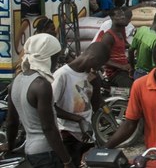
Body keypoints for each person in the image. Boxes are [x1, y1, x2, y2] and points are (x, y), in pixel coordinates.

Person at [0, 34, 73, 168]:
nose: (57, 62)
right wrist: (66, 160)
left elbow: (11, 122)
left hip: (31, 151)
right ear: (48, 57)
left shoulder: (17, 80)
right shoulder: (41, 85)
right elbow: (48, 127)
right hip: (46, 152)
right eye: (56, 57)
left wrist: (10, 146)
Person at [52, 42, 110, 167]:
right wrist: (78, 119)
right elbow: (51, 107)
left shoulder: (90, 76)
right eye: (98, 65)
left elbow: (94, 106)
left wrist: (96, 84)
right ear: (92, 59)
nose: (97, 69)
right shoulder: (62, 75)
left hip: (87, 133)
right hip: (68, 134)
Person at [94, 7, 133, 88]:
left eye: (122, 15)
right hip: (115, 73)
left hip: (123, 70)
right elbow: (102, 59)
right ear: (112, 18)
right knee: (131, 89)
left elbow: (121, 48)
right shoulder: (108, 36)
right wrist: (122, 66)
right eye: (118, 15)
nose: (122, 17)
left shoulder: (120, 33)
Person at [129, 10, 156, 79]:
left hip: (137, 73)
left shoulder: (142, 30)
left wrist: (132, 68)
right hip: (147, 76)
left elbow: (130, 50)